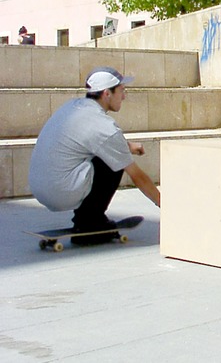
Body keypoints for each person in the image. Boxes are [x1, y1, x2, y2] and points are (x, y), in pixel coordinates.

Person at [28, 66, 160, 244]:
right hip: (60, 190)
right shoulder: (104, 127)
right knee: (113, 163)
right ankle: (90, 222)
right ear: (107, 93)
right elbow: (137, 176)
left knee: (112, 153)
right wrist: (166, 206)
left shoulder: (73, 107)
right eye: (121, 91)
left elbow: (88, 139)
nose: (124, 96)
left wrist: (127, 146)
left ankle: (87, 219)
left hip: (40, 185)